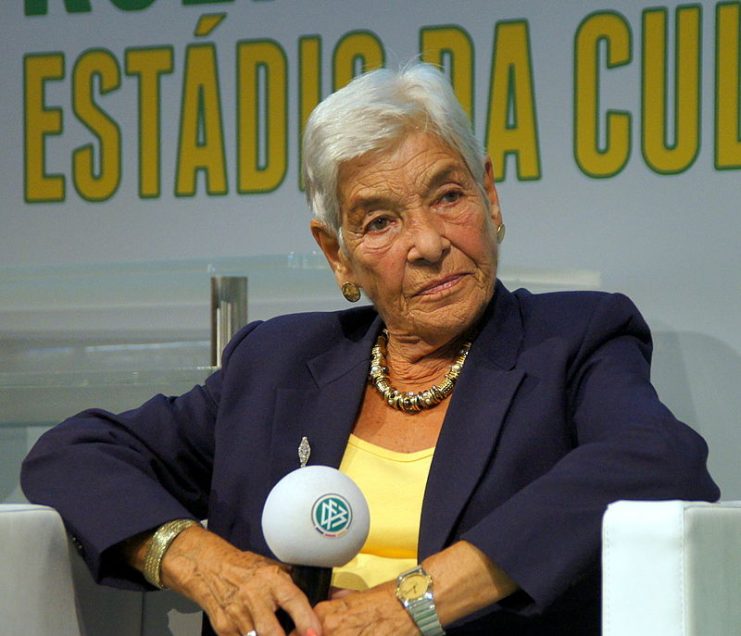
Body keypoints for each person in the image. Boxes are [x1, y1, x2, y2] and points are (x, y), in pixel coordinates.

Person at [22, 64, 719, 636]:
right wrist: (200, 560)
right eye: (380, 220)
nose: (427, 243)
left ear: (491, 200)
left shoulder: (573, 339)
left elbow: (659, 459)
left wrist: (415, 602)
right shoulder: (276, 362)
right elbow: (74, 454)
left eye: (448, 196)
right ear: (338, 256)